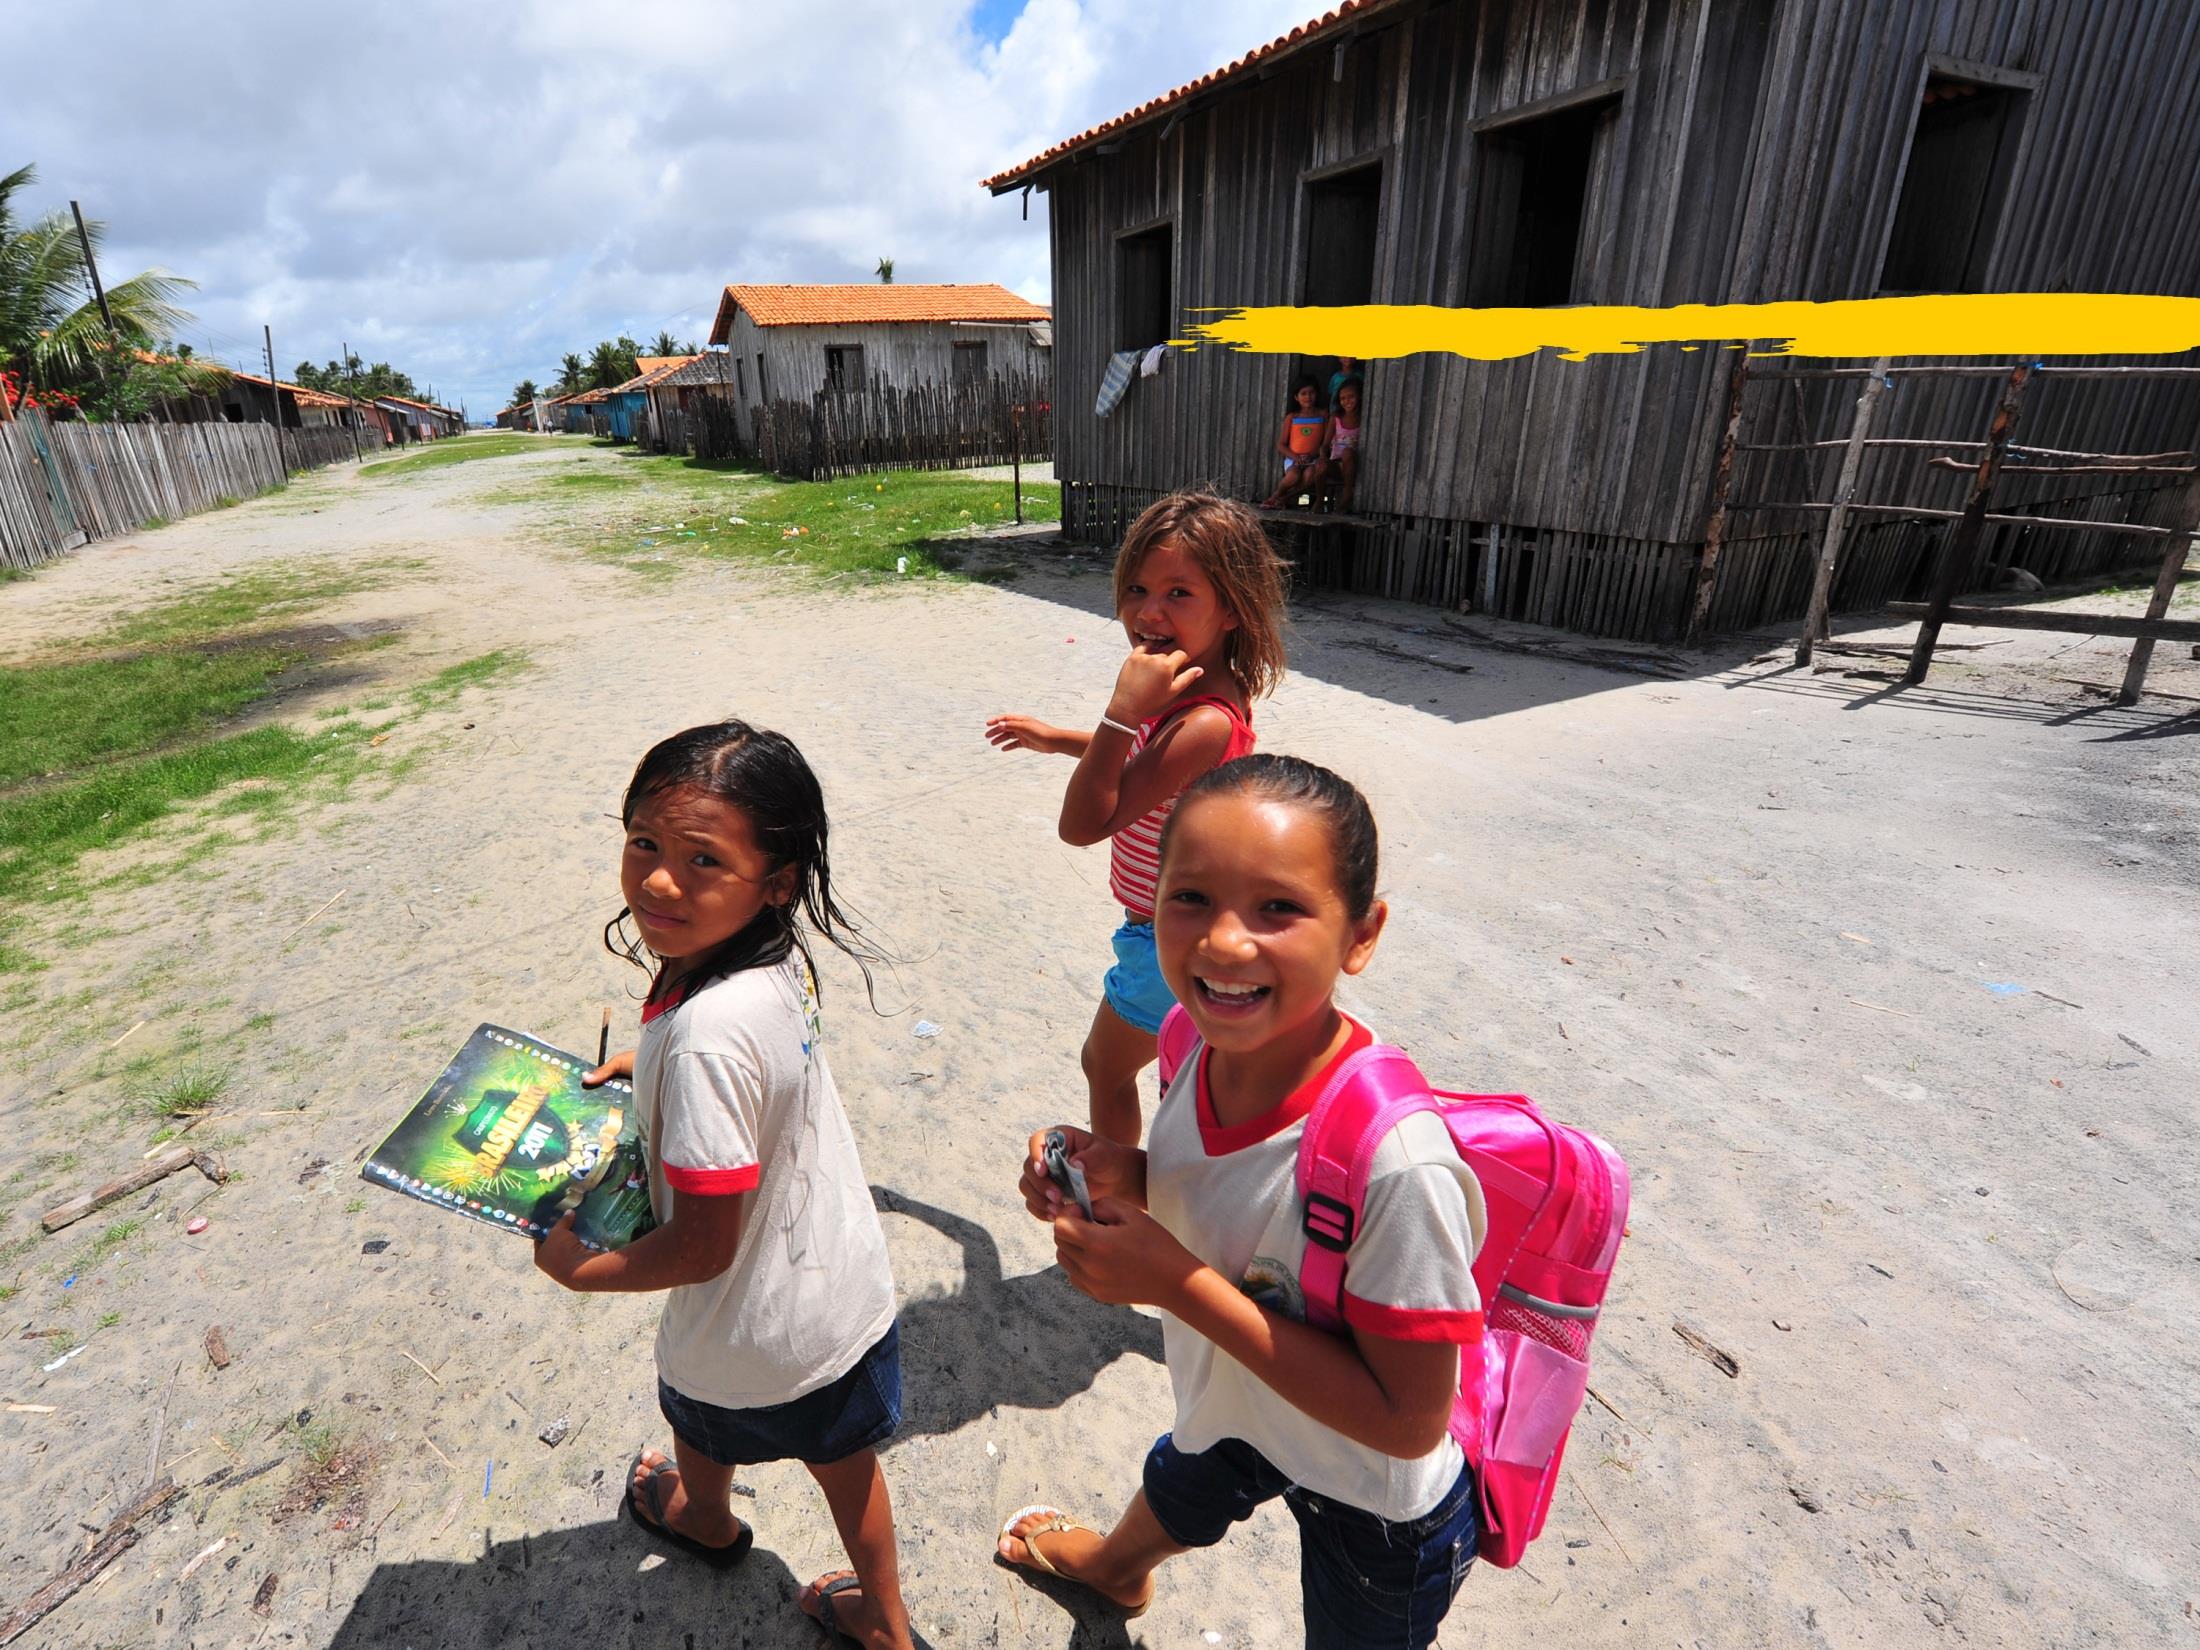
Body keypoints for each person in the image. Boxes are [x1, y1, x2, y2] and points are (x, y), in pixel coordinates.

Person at [1001, 755, 1487, 1650]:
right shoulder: (1189, 1038)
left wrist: (1177, 1286)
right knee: (1190, 1470)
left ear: (1361, 934)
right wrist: (1120, 1170)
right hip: (1242, 1403)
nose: (1223, 942)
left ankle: (1117, 1564)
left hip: (1371, 1502)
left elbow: (1411, 1423)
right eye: (1190, 897)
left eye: (1278, 908)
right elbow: (1229, 1189)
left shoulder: (1396, 1167)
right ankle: (1116, 1570)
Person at [535, 720, 916, 1650]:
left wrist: (581, 1270)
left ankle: (705, 1520)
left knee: (695, 1413)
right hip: (842, 1294)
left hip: (744, 1327)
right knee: (845, 1460)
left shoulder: (707, 1033)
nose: (661, 880)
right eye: (645, 843)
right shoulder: (772, 956)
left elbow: (704, 1244)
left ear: (776, 880)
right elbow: (756, 1071)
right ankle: (889, 1625)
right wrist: (651, 1065)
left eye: (704, 860)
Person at [984, 491, 1287, 1146]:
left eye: (1180, 593)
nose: (1149, 611)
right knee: (1182, 1079)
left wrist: (1118, 714)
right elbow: (1145, 766)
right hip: (1169, 926)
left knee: (1105, 1066)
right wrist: (1060, 738)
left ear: (1231, 607)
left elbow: (1084, 824)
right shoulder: (1188, 687)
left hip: (1170, 940)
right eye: (1138, 588)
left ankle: (1120, 1211)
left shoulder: (1204, 720)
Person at [1261, 380, 1330, 508]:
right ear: (1296, 397)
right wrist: (1296, 458)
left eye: (1311, 393)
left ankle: (1285, 498)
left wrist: (1312, 455)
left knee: (1310, 476)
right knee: (1293, 476)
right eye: (1303, 393)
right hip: (1293, 459)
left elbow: (1326, 441)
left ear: (1317, 394)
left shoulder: (1323, 416)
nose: (1308, 397)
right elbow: (1281, 444)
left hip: (1313, 459)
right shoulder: (1292, 417)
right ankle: (1276, 495)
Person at [1316, 378, 1362, 513]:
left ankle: (1348, 492)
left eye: (1351, 397)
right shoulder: (1336, 418)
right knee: (1321, 466)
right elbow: (1325, 444)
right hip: (1336, 465)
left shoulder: (1364, 417)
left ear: (1359, 396)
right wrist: (1323, 456)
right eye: (1343, 398)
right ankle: (1319, 500)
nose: (1347, 401)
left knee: (1347, 452)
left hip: (1353, 464)